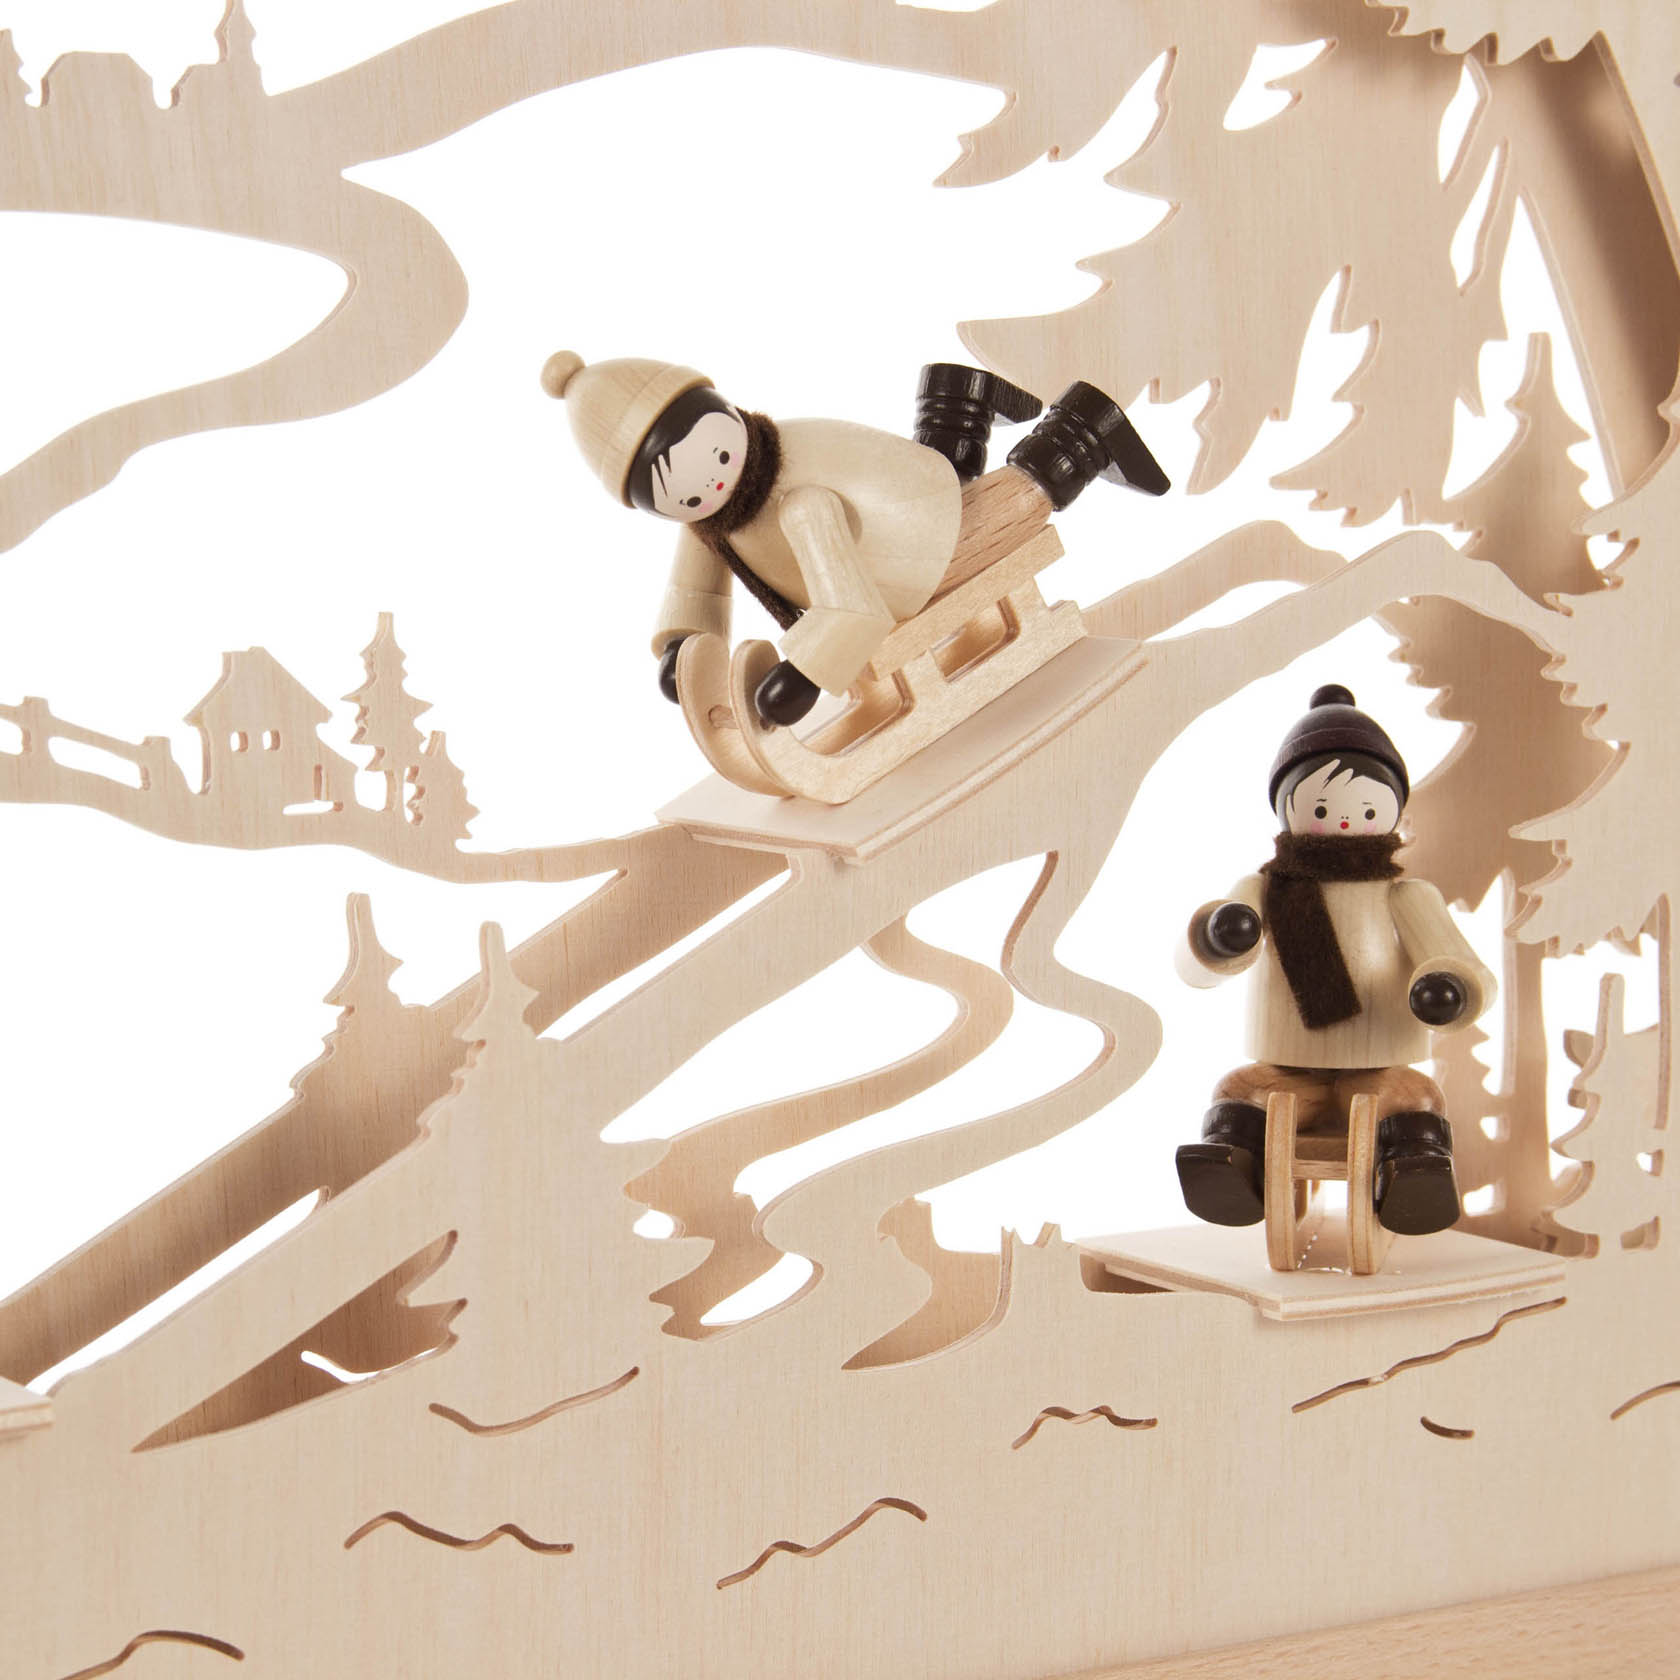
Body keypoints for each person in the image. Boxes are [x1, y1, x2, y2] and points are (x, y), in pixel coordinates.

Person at [540, 352, 1167, 727]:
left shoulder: (800, 507)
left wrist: (803, 674)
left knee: (1018, 500)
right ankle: (957, 399)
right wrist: (685, 644)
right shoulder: (717, 522)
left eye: (713, 453)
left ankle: (1084, 430)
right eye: (681, 490)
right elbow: (694, 583)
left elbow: (856, 608)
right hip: (900, 515)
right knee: (943, 478)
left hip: (923, 549)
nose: (711, 480)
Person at [1175, 684, 1496, 1237]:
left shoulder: (1405, 896)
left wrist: (1448, 986)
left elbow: (1458, 960)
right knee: (1237, 1093)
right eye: (1322, 808)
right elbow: (1193, 966)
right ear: (1287, 807)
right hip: (1286, 1070)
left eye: (1366, 808)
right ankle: (1231, 1174)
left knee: (1415, 1100)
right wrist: (1217, 937)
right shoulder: (1262, 890)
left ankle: (1412, 1181)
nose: (1345, 822)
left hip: (1379, 1070)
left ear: (1393, 809)